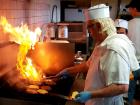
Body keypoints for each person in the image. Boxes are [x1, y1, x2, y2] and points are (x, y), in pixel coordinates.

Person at [56, 4, 140, 105]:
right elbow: (88, 64)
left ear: (99, 26)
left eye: (89, 28)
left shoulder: (114, 48)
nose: (89, 32)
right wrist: (68, 71)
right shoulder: (101, 43)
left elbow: (121, 87)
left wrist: (90, 95)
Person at [126, 0, 140, 104]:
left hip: (132, 65)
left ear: (135, 9)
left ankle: (129, 102)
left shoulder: (127, 25)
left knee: (129, 90)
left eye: (130, 8)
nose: (129, 10)